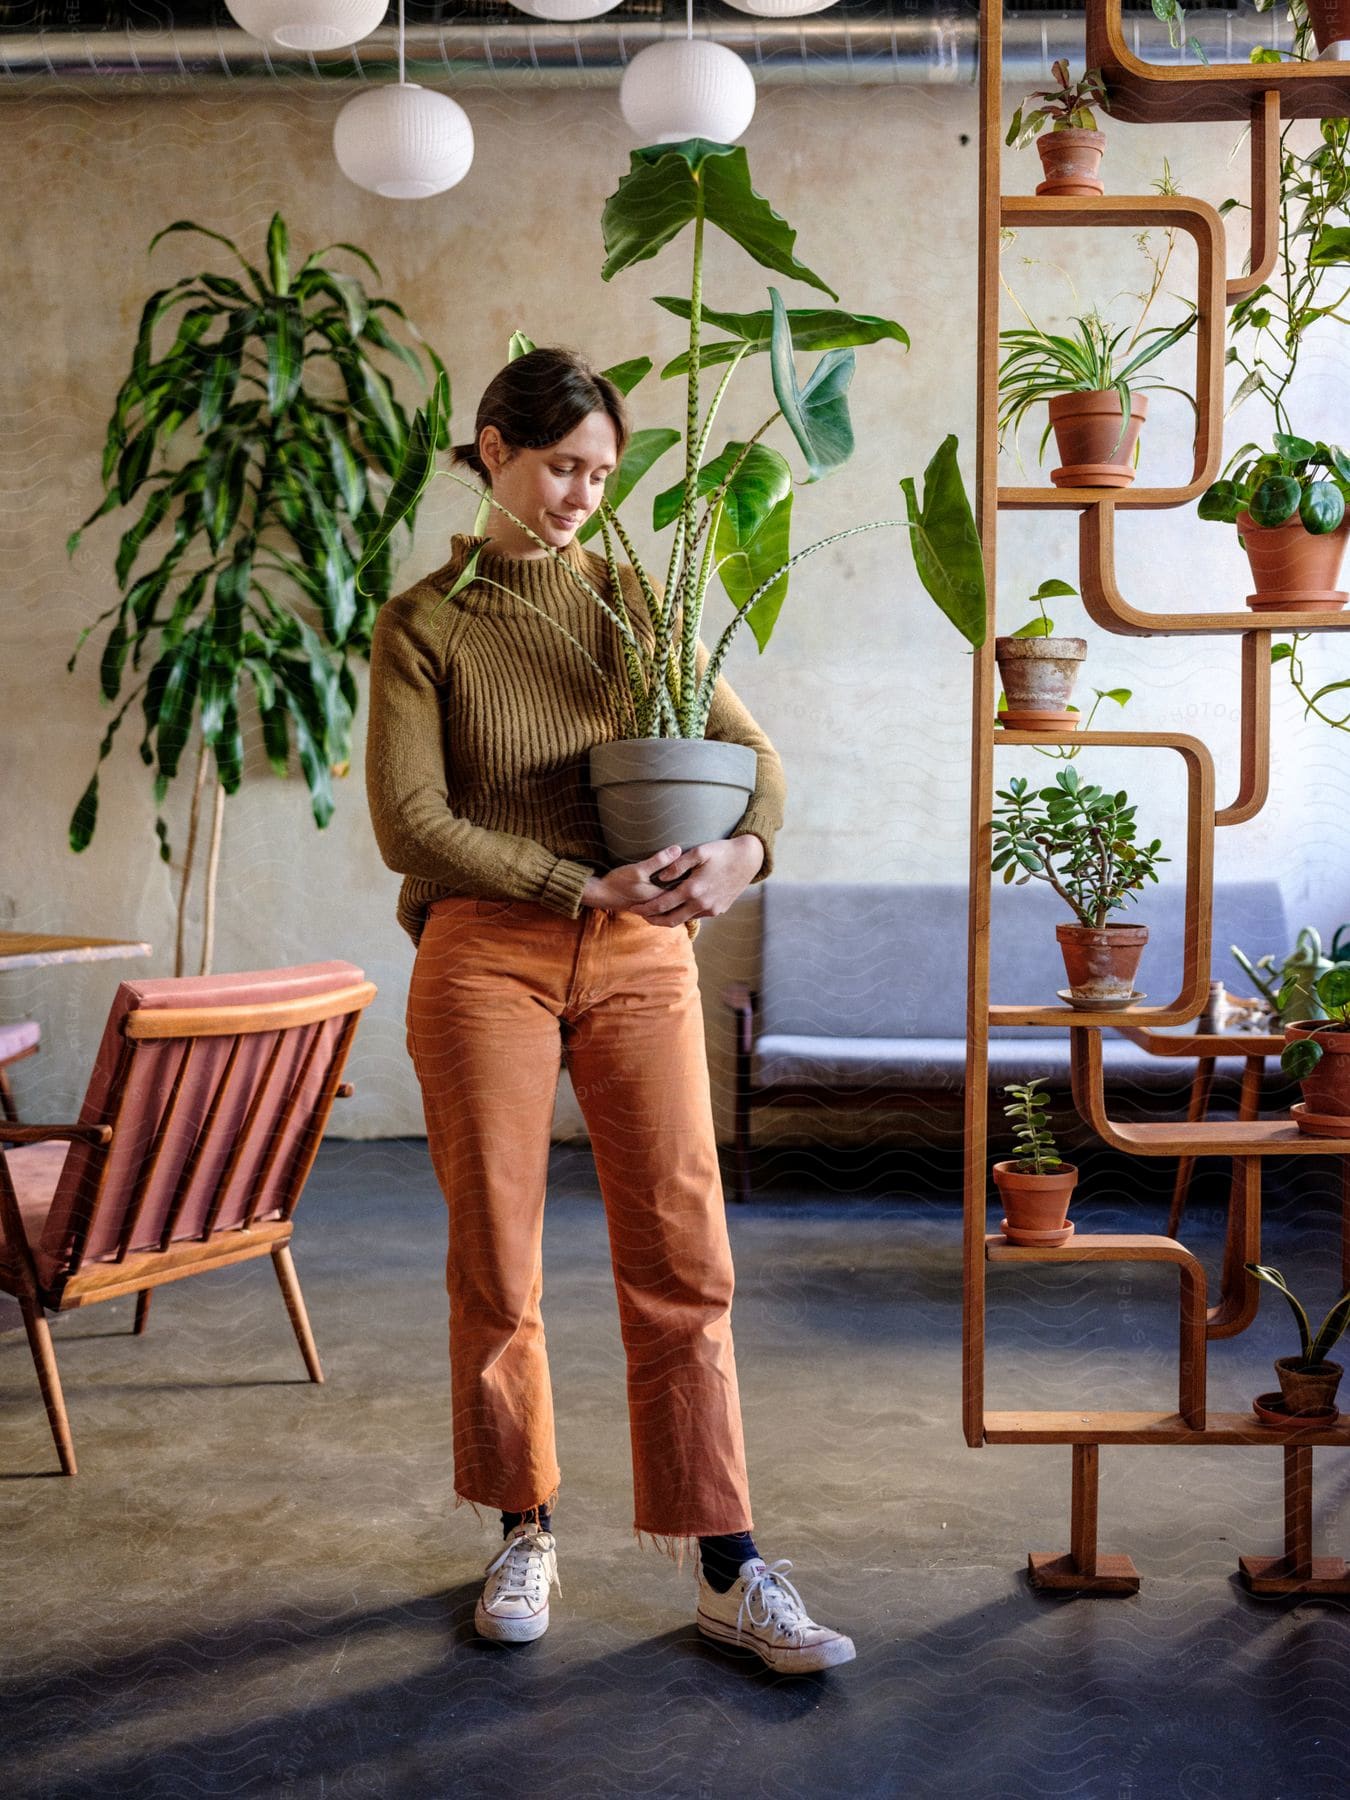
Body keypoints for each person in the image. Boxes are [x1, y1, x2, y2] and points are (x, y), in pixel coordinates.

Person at [365, 346, 855, 1674]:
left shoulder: (634, 597)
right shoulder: (423, 623)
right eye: (560, 465)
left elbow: (754, 768)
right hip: (487, 954)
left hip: (639, 953)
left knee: (684, 1252)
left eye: (598, 469)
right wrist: (574, 880)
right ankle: (524, 1525)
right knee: (499, 1255)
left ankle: (729, 1563)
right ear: (490, 448)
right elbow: (409, 824)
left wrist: (741, 857)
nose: (583, 492)